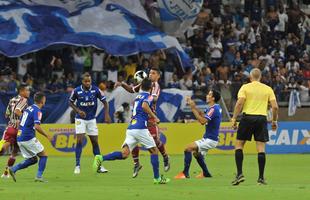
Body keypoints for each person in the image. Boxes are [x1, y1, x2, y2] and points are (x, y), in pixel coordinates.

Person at [93, 78, 170, 184]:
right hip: (140, 128)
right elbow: (145, 106)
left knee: (124, 154)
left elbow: (140, 108)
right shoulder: (149, 96)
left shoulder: (138, 97)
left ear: (141, 87)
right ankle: (157, 178)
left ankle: (100, 158)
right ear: (151, 88)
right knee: (154, 151)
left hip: (131, 128)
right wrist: (155, 117)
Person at [115, 67, 170, 178]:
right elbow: (131, 90)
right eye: (150, 73)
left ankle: (165, 156)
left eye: (153, 73)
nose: (151, 75)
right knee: (134, 139)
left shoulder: (155, 87)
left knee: (155, 141)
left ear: (158, 76)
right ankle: (136, 164)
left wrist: (145, 95)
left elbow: (153, 99)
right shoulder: (145, 84)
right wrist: (122, 84)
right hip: (140, 116)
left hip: (150, 116)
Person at [231, 68, 278, 186]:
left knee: (239, 145)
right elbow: (275, 107)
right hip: (261, 119)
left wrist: (234, 118)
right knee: (261, 148)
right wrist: (274, 121)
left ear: (250, 77)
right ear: (260, 77)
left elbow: (240, 103)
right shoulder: (268, 89)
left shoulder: (245, 87)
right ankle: (261, 178)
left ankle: (239, 174)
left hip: (247, 118)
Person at [69, 73, 112, 174]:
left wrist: (106, 115)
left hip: (92, 119)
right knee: (79, 140)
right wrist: (78, 111)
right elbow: (70, 102)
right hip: (80, 119)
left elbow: (105, 102)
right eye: (86, 81)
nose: (88, 83)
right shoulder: (76, 91)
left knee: (95, 142)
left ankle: (99, 166)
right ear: (82, 81)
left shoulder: (96, 90)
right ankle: (77, 166)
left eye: (89, 81)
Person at [174, 90, 222, 179]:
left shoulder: (213, 109)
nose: (207, 95)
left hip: (210, 139)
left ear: (213, 98)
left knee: (188, 148)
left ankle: (185, 173)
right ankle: (206, 173)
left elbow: (203, 121)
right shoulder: (215, 108)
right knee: (197, 154)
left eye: (209, 94)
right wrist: (194, 106)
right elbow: (203, 115)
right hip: (211, 138)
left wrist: (192, 108)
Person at [8, 92, 52, 182]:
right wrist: (47, 135)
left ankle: (13, 169)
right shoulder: (37, 111)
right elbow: (37, 126)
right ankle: (39, 176)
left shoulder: (29, 108)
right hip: (28, 137)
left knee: (33, 159)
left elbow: (20, 120)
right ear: (43, 100)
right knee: (44, 155)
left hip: (20, 137)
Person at [0, 84, 30, 178]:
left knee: (3, 149)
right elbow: (17, 111)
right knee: (14, 151)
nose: (28, 92)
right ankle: (6, 173)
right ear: (21, 91)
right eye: (27, 90)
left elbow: (6, 114)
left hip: (11, 127)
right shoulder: (24, 100)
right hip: (19, 129)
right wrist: (24, 119)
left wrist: (13, 120)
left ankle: (6, 173)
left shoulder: (12, 100)